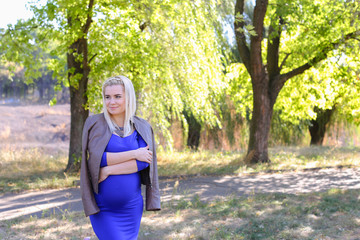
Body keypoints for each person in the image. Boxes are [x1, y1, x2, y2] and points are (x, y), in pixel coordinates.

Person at [80, 75, 161, 240]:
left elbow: (143, 161)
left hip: (131, 207)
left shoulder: (141, 126)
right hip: (104, 207)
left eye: (118, 96)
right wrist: (134, 154)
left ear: (128, 97)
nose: (112, 102)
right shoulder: (95, 124)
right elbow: (97, 159)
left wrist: (108, 170)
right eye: (107, 97)